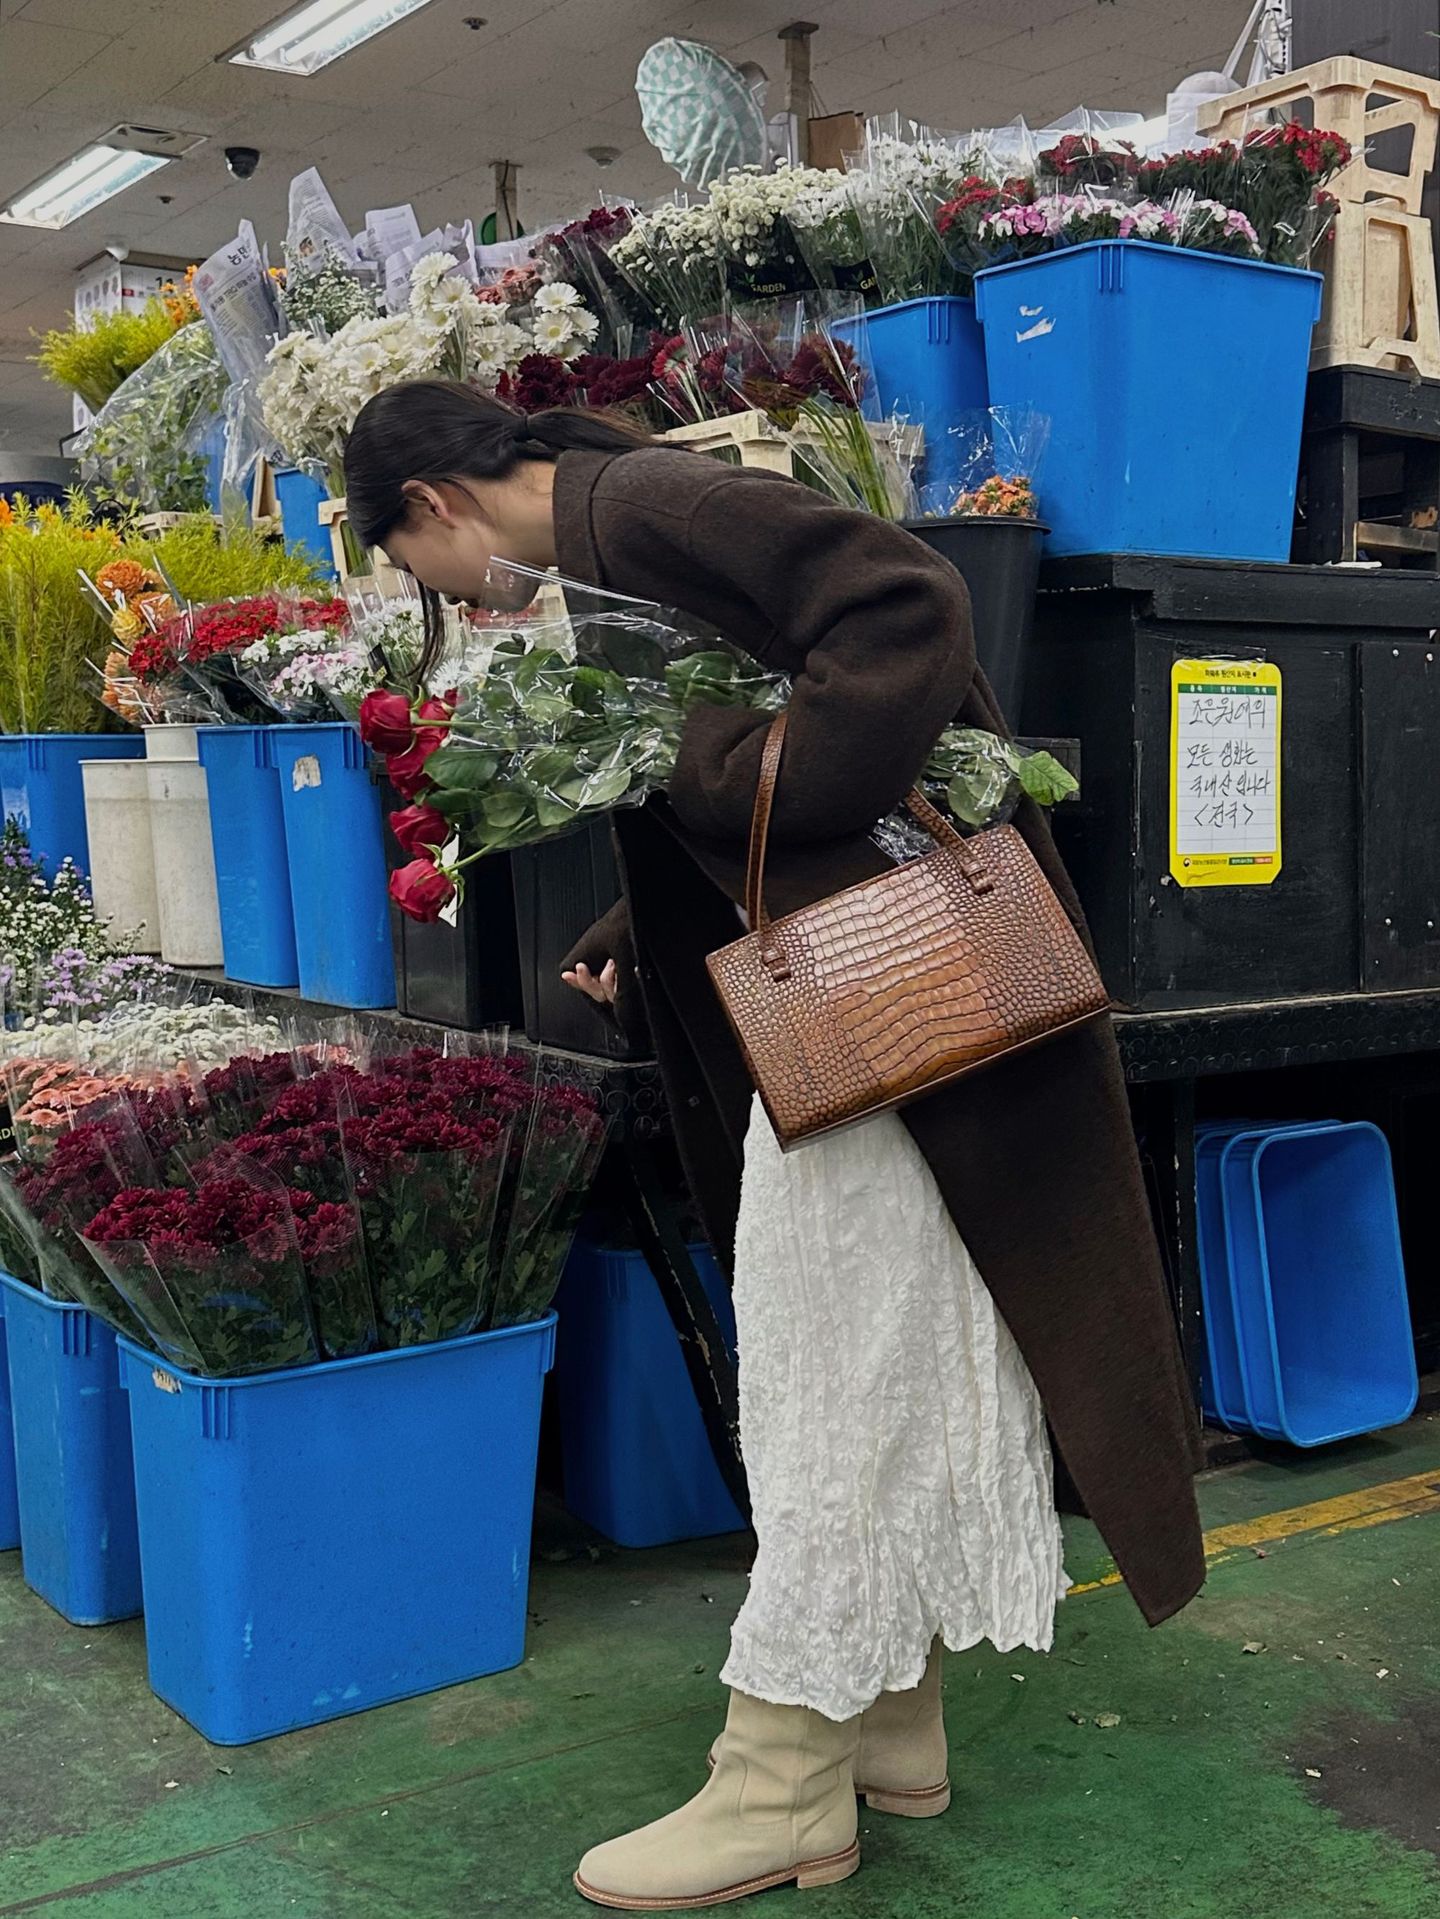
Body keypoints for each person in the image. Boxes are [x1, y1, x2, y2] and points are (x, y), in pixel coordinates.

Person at [344, 380, 1206, 1911]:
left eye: (426, 574)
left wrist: (733, 773)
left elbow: (904, 603)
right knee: (881, 1340)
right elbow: (753, 730)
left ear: (437, 506)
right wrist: (642, 917)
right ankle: (890, 1722)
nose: (453, 603)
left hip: (882, 1012)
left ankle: (782, 1784)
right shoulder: (611, 531)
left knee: (833, 1361)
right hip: (871, 1004)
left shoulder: (642, 507)